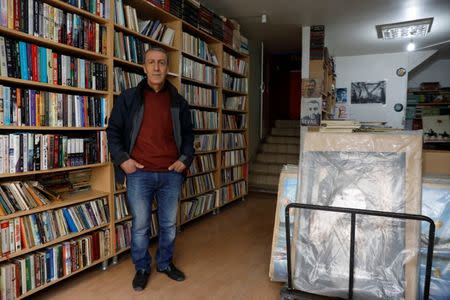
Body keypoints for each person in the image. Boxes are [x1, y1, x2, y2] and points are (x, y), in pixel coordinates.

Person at [106, 47, 194, 291]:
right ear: (144, 68)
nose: (156, 67)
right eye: (151, 63)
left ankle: (165, 264)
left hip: (171, 174)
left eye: (162, 63)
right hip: (139, 173)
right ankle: (142, 267)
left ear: (167, 68)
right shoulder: (128, 98)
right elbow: (113, 132)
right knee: (141, 224)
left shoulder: (179, 101)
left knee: (167, 224)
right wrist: (124, 160)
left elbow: (188, 135)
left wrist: (184, 159)